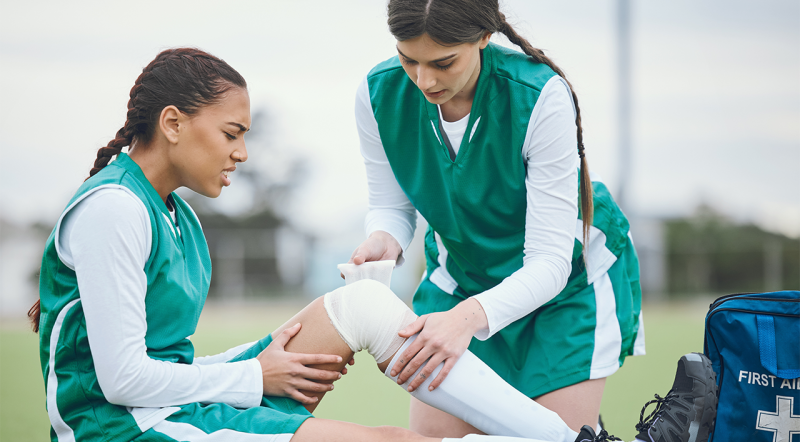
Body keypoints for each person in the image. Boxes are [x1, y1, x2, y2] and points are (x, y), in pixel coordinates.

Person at [29, 46, 677, 442]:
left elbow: (149, 358)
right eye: (230, 133)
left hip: (173, 399)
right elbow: (122, 380)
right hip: (132, 428)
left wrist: (253, 362)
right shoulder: (117, 208)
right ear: (172, 124)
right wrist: (253, 374)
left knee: (365, 307)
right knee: (396, 439)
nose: (242, 152)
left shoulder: (168, 212)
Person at [350, 0, 645, 436]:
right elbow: (393, 207)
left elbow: (549, 263)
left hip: (564, 292)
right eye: (408, 59)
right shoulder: (378, 93)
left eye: (444, 62)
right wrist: (384, 239)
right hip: (463, 282)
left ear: (484, 37)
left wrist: (466, 321)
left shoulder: (540, 94)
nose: (424, 79)